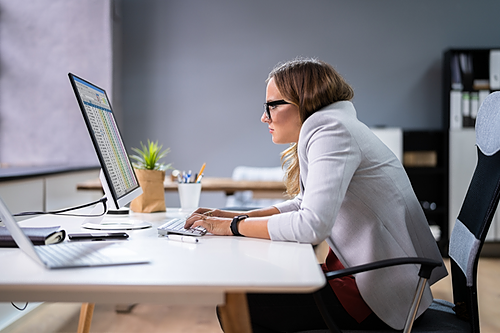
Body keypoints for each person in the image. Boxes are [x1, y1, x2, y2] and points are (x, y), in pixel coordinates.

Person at [185, 58, 447, 332]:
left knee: (239, 304)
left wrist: (233, 227)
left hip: (372, 294)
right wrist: (237, 217)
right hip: (361, 275)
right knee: (247, 289)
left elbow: (311, 225)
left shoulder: (331, 131)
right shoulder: (333, 124)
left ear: (303, 101)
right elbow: (303, 204)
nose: (265, 116)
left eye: (271, 106)